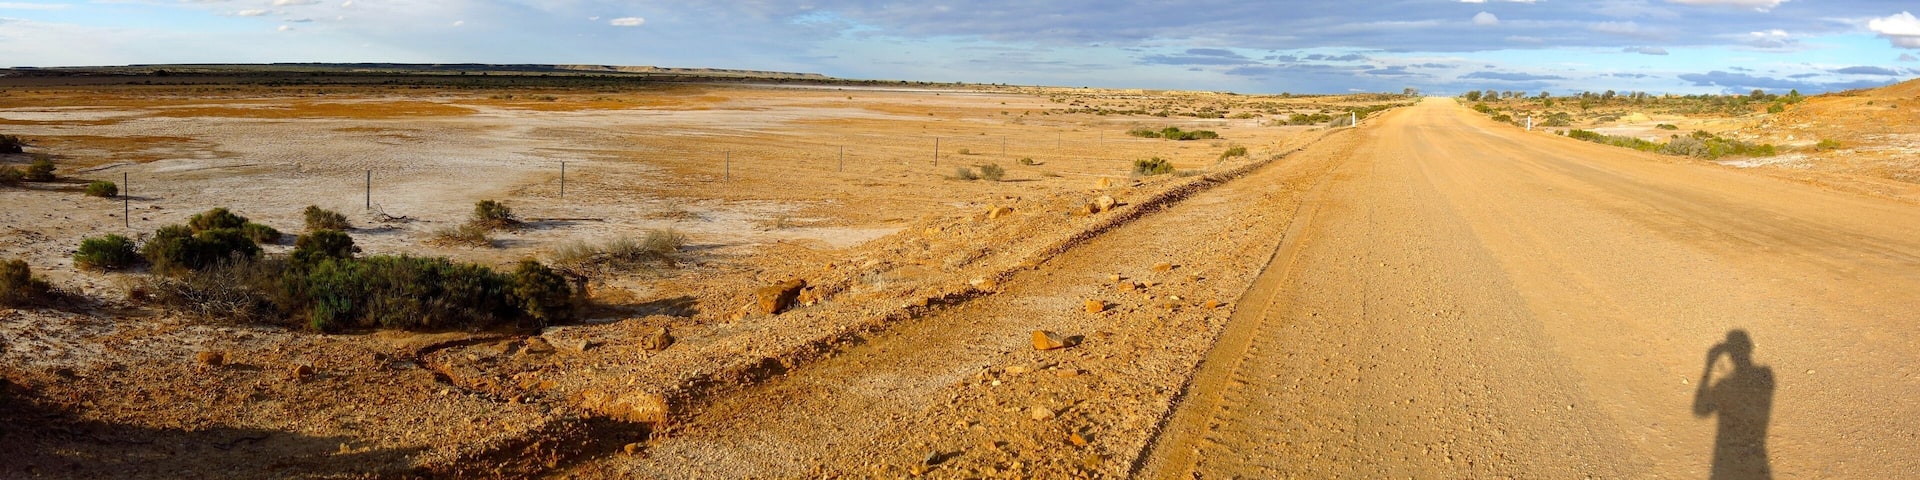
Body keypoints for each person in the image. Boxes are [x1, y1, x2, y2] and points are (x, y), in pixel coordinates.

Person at [1693, 329, 1774, 480]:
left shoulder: (1723, 385)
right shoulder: (1766, 375)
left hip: (1726, 452)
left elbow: (1700, 411)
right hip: (1756, 453)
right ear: (1750, 348)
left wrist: (1709, 366)